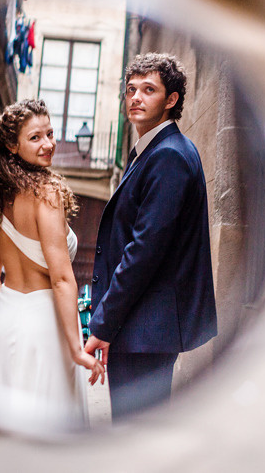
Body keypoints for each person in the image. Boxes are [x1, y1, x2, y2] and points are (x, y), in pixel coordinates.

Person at [84, 52, 217, 420]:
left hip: (146, 330)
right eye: (131, 89)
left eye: (148, 89)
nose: (136, 98)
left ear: (170, 100)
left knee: (134, 431)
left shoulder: (168, 156)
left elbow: (144, 249)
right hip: (142, 327)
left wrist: (104, 324)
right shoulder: (153, 152)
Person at [0, 99, 105, 430]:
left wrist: (3, 320)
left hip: (6, 321)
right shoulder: (47, 193)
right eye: (35, 138)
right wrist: (77, 349)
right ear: (11, 145)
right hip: (47, 327)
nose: (48, 144)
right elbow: (62, 278)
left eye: (50, 133)